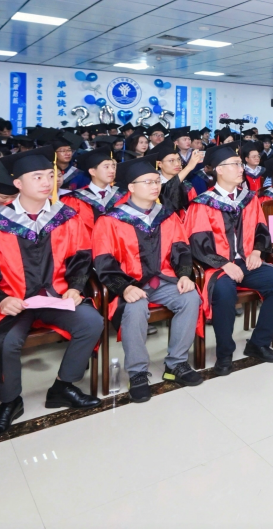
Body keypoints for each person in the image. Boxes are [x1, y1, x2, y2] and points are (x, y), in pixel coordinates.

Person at [0, 148, 103, 441]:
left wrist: (75, 287)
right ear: (18, 183)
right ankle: (9, 401)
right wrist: (0, 298)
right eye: (37, 177)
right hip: (13, 301)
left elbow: (80, 258)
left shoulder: (66, 217)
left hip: (56, 296)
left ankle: (63, 386)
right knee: (5, 340)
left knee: (91, 322)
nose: (46, 182)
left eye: (50, 176)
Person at [93, 158, 203, 402]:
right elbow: (103, 261)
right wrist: (124, 287)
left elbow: (181, 249)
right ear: (131, 187)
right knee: (135, 307)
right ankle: (138, 373)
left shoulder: (166, 216)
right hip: (128, 283)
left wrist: (184, 274)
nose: (155, 186)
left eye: (156, 181)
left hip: (162, 280)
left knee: (190, 297)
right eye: (148, 182)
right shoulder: (110, 220)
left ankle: (176, 364)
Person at [186, 145, 273, 375]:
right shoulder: (202, 203)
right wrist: (224, 264)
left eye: (240, 164)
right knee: (224, 292)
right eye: (235, 164)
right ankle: (224, 354)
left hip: (247, 260)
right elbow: (198, 243)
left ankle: (258, 343)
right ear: (219, 170)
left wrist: (257, 252)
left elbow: (261, 229)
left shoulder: (249, 199)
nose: (241, 168)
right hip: (216, 266)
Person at [61, 146, 121, 231]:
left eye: (113, 166)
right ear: (92, 172)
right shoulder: (74, 199)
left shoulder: (122, 195)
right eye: (106, 167)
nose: (112, 171)